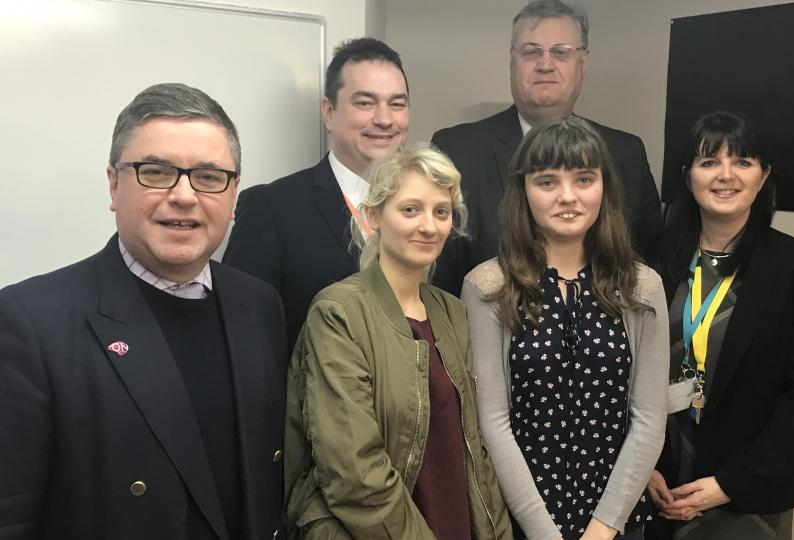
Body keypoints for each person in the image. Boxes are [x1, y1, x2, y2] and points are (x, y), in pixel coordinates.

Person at [0, 83, 285, 539]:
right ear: (114, 185)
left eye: (209, 176)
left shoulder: (259, 304)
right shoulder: (29, 322)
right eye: (156, 172)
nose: (184, 195)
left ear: (234, 194)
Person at [283, 143, 512, 539]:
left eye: (441, 212)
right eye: (410, 209)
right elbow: (353, 472)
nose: (429, 226)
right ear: (373, 216)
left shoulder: (453, 313)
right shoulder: (338, 312)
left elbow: (475, 452)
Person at [462, 117, 669, 540]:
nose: (568, 197)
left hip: (617, 524)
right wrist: (544, 533)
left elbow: (649, 419)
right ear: (523, 191)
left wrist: (603, 528)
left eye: (584, 179)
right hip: (520, 524)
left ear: (604, 188)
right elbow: (492, 423)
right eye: (547, 182)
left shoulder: (642, 287)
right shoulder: (487, 286)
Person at [645, 111, 794, 540]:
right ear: (688, 175)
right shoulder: (652, 261)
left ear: (763, 176)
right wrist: (641, 468)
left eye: (742, 161)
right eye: (709, 161)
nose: (725, 175)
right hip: (655, 486)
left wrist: (729, 484)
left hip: (749, 493)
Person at [432, 0, 661, 296]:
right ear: (512, 62)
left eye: (560, 52)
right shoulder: (455, 151)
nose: (545, 64)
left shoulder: (626, 154)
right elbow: (436, 279)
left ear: (583, 63)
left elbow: (645, 267)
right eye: (531, 52)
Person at [223, 37, 410, 351]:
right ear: (329, 112)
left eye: (397, 104)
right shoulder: (271, 209)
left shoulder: (432, 213)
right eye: (365, 103)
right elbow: (243, 336)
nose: (384, 119)